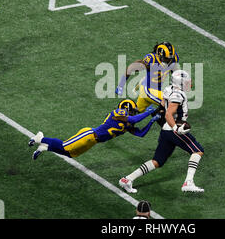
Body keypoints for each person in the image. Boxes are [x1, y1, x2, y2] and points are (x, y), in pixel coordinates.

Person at [119, 70, 205, 193]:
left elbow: (161, 109)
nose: (189, 84)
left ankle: (128, 179)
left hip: (166, 130)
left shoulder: (169, 89)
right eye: (186, 82)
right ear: (180, 83)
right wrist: (176, 128)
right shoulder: (178, 95)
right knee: (198, 150)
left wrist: (163, 124)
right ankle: (188, 182)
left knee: (157, 161)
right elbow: (168, 114)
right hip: (173, 129)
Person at [28, 99, 160, 160]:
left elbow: (140, 133)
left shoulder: (127, 124)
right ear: (126, 109)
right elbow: (135, 119)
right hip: (89, 134)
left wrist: (151, 122)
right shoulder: (118, 112)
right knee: (65, 146)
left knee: (70, 154)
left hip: (93, 141)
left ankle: (46, 147)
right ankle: (40, 138)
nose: (133, 112)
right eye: (132, 111)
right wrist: (148, 113)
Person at [115, 42, 179, 112]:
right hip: (148, 90)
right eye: (167, 58)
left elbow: (174, 72)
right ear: (159, 55)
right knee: (172, 104)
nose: (169, 60)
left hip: (151, 89)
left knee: (135, 112)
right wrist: (120, 85)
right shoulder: (152, 59)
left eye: (170, 58)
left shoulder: (173, 58)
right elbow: (131, 68)